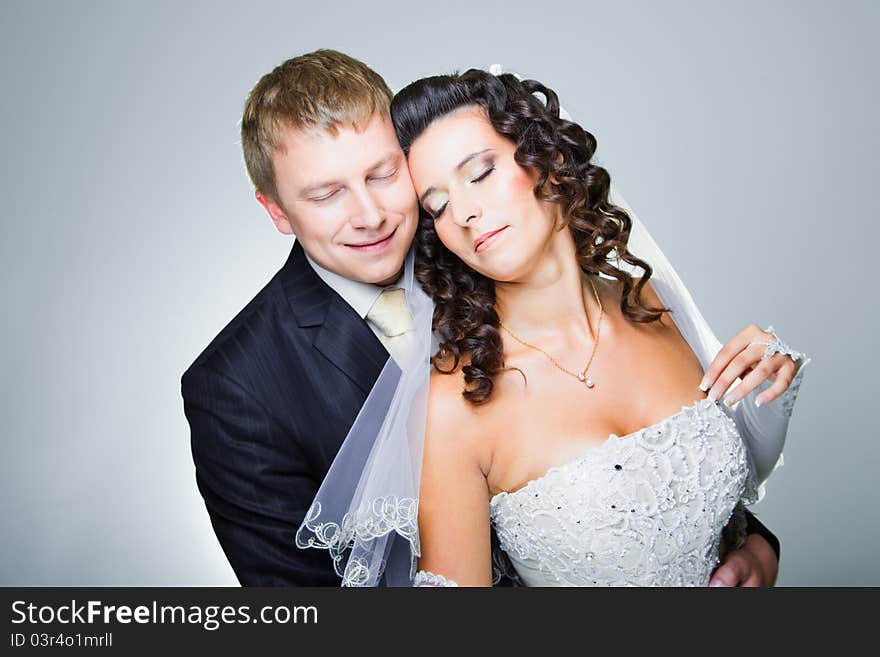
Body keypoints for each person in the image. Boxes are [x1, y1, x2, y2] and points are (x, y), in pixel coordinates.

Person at [183, 50, 783, 586]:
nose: (370, 215)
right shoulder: (236, 387)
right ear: (277, 210)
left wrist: (754, 547)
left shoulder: (491, 252)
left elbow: (647, 477)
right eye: (326, 193)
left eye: (383, 174)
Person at [388, 69, 809, 586]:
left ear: (551, 158)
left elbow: (718, 494)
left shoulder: (648, 302)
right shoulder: (457, 405)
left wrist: (757, 551)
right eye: (439, 206)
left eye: (479, 173)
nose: (467, 213)